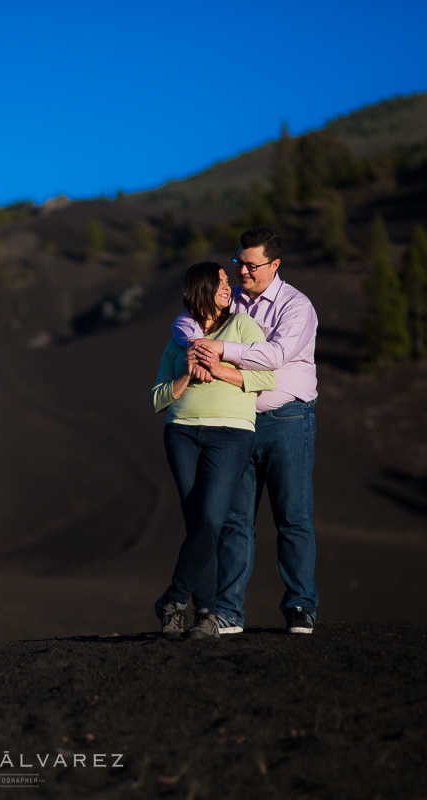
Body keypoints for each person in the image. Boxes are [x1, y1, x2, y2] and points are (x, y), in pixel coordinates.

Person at [173, 227, 319, 635]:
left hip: (288, 418)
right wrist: (196, 342)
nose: (243, 272)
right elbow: (186, 318)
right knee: (236, 520)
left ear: (275, 265)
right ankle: (228, 612)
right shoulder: (229, 297)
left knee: (292, 515)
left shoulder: (296, 307)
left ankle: (300, 607)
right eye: (239, 263)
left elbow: (274, 356)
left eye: (251, 265)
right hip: (235, 424)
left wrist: (220, 352)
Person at [152, 262, 274, 640]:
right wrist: (187, 373)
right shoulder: (179, 340)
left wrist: (217, 367)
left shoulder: (241, 327)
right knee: (196, 524)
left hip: (232, 432)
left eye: (227, 280)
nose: (229, 286)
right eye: (221, 281)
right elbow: (157, 398)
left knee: (211, 520)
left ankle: (172, 599)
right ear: (200, 288)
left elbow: (266, 377)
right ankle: (205, 615)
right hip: (182, 433)